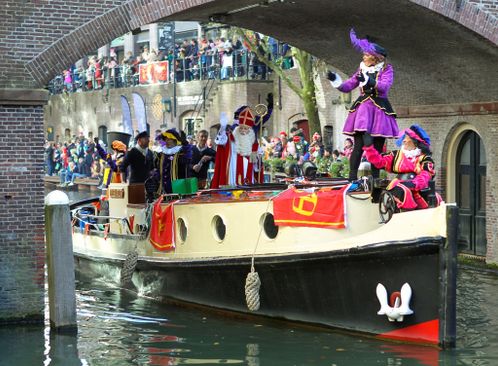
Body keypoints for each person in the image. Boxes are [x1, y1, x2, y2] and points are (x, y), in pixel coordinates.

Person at [327, 29, 399, 181]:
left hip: (380, 111)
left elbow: (384, 87)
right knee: (358, 147)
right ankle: (352, 179)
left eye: (366, 55)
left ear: (375, 58)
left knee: (377, 149)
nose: (363, 57)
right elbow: (348, 86)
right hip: (363, 112)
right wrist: (335, 80)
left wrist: (368, 80)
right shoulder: (361, 69)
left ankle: (375, 179)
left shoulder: (387, 69)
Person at [363, 125, 438, 210]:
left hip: (418, 187)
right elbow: (379, 162)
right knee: (403, 190)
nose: (404, 140)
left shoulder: (425, 159)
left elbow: (426, 175)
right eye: (404, 138)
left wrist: (414, 184)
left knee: (435, 198)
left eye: (407, 137)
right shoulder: (396, 155)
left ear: (415, 141)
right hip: (399, 185)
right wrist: (369, 148)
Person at [154, 128, 192, 194]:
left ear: (175, 140)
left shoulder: (181, 153)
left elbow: (186, 163)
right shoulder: (161, 154)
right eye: (165, 139)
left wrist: (185, 144)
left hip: (178, 188)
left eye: (169, 139)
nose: (166, 141)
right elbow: (158, 169)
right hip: (163, 189)